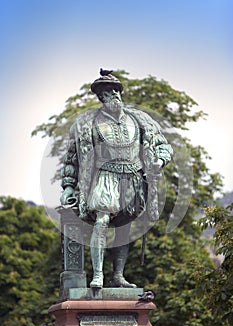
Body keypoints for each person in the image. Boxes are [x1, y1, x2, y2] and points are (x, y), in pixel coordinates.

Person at [60, 70, 173, 288]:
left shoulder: (142, 121)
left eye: (115, 91)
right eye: (107, 93)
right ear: (100, 97)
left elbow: (163, 146)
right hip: (105, 176)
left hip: (133, 178)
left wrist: (159, 160)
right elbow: (72, 158)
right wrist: (67, 185)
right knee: (102, 221)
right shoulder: (87, 124)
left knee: (125, 226)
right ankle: (98, 275)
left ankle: (118, 276)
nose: (113, 96)